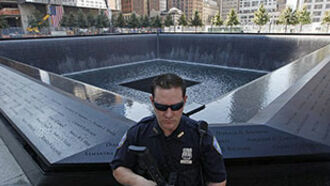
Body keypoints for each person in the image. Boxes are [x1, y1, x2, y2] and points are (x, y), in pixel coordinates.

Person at [110, 73, 227, 186]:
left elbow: (218, 180)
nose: (169, 114)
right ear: (152, 101)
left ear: (185, 100)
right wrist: (139, 182)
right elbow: (118, 168)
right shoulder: (138, 132)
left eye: (176, 107)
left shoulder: (201, 136)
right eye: (161, 107)